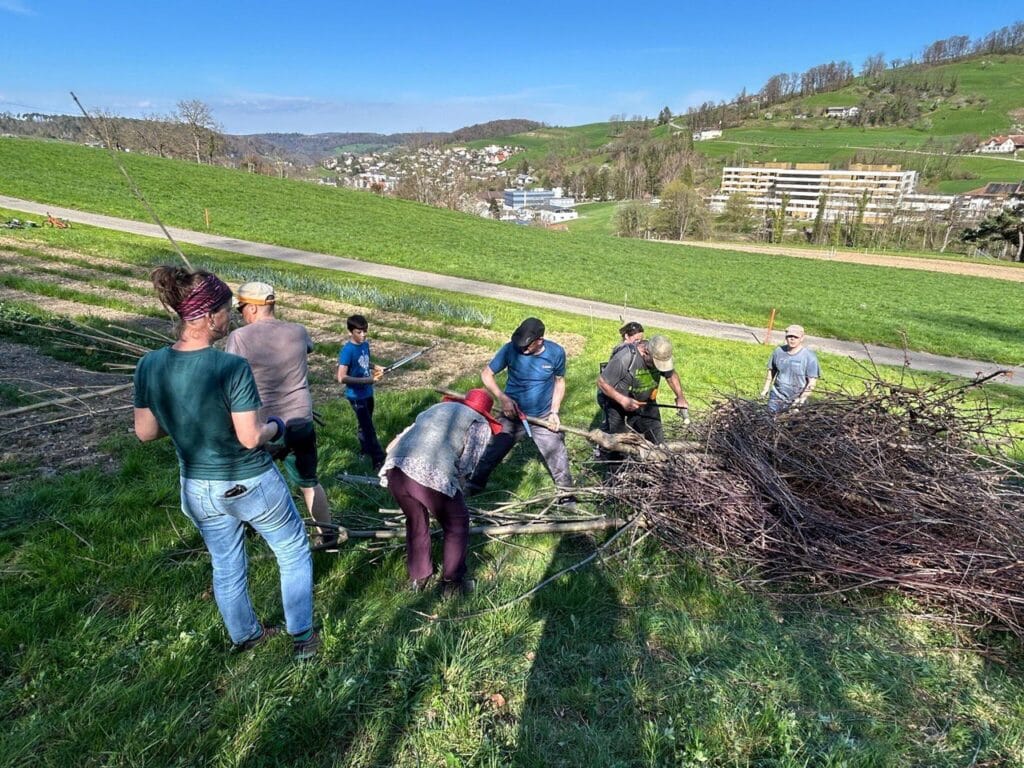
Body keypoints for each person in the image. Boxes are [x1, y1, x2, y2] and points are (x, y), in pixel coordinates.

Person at [133, 266, 318, 659]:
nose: (229, 316)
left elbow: (146, 432)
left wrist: (188, 420)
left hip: (198, 486)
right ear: (205, 315)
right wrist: (278, 425)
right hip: (248, 479)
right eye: (223, 309)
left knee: (226, 562)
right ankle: (302, 637)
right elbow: (250, 436)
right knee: (291, 548)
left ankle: (246, 636)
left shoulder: (149, 365)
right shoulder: (229, 368)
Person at [225, 281, 340, 548]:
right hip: (301, 420)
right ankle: (328, 534)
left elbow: (228, 374)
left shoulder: (240, 338)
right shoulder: (298, 331)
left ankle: (252, 530)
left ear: (253, 308)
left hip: (262, 425)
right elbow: (308, 348)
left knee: (249, 480)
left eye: (242, 308)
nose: (241, 314)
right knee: (309, 482)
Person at [380, 389, 502, 597]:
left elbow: (392, 444)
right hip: (430, 472)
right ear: (485, 413)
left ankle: (419, 576)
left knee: (416, 520)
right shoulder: (478, 423)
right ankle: (452, 583)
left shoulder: (436, 409)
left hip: (396, 468)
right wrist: (457, 489)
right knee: (457, 523)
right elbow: (466, 465)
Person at [466, 317, 574, 499]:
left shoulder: (556, 353)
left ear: (540, 340)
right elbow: (486, 374)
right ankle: (474, 485)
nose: (522, 349)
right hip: (512, 414)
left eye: (526, 346)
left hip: (543, 415)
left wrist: (554, 412)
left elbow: (559, 382)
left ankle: (567, 495)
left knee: (557, 453)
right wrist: (503, 398)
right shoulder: (510, 349)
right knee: (493, 450)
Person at [597, 334, 689, 445]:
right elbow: (602, 382)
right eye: (656, 363)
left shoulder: (658, 354)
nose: (658, 367)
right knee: (619, 445)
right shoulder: (625, 357)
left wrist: (680, 396)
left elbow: (671, 375)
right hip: (617, 403)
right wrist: (623, 400)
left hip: (646, 404)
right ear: (646, 352)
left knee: (658, 442)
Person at [337, 314, 386, 471]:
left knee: (364, 424)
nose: (363, 335)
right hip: (356, 396)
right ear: (350, 332)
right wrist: (368, 381)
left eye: (365, 331)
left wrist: (375, 366)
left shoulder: (364, 345)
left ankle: (364, 451)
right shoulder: (347, 350)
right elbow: (341, 377)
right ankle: (379, 460)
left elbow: (363, 362)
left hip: (368, 393)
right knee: (369, 428)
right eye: (359, 332)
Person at [761, 324, 820, 413]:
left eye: (795, 337)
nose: (792, 339)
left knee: (792, 425)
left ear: (802, 338)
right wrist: (765, 389)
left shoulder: (809, 357)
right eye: (789, 336)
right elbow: (771, 371)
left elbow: (812, 382)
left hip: (796, 399)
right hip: (777, 395)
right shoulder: (779, 351)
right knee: (768, 420)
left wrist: (801, 400)